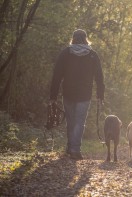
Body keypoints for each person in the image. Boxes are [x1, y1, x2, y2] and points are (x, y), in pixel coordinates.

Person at [50, 29, 105, 160]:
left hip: (68, 92)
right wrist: (100, 95)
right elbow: (99, 77)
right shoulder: (92, 54)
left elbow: (56, 76)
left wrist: (53, 96)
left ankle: (71, 147)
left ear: (73, 38)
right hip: (85, 94)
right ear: (86, 39)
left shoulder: (65, 53)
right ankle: (74, 149)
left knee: (70, 121)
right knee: (79, 122)